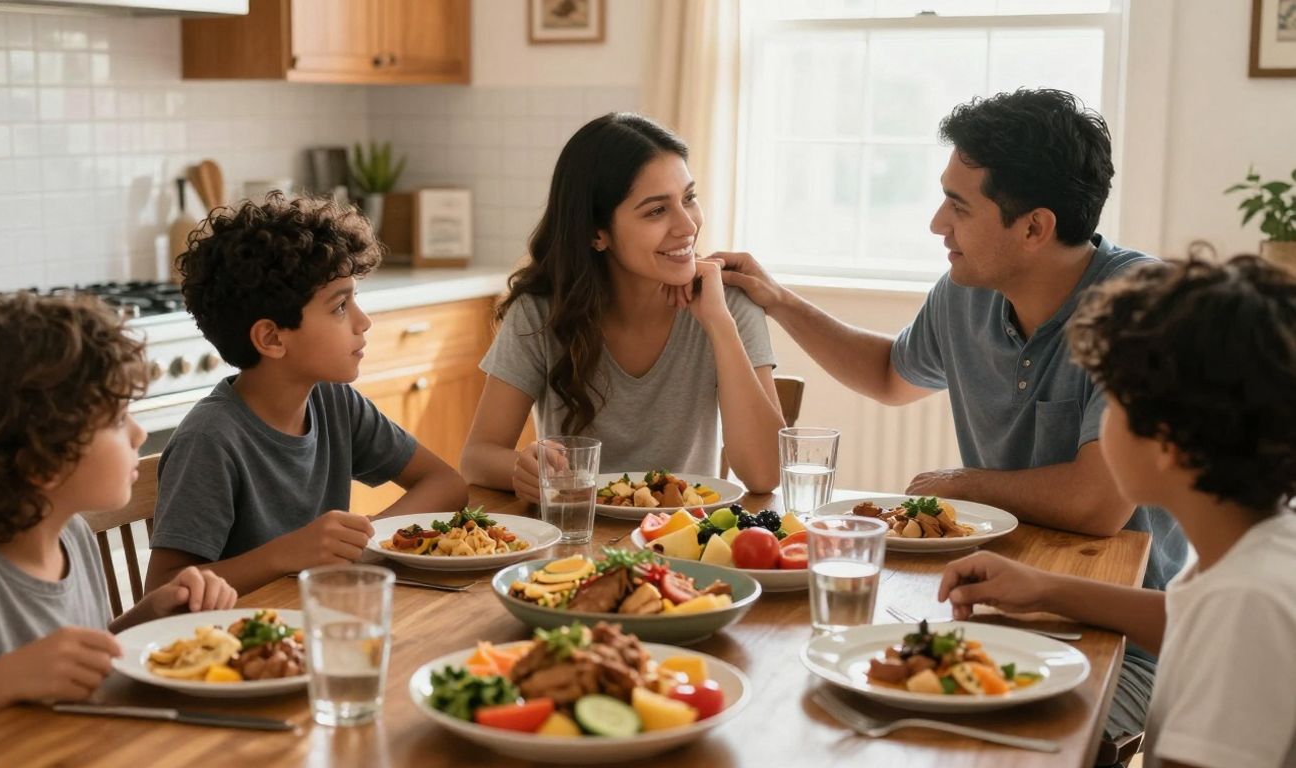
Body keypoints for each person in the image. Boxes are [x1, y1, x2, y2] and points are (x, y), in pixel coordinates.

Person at [718, 88, 1189, 748]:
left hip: (1125, 640)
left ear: (1034, 228)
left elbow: (1094, 506)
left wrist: (961, 483)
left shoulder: (1137, 309)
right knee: (829, 715)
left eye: (959, 206)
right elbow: (889, 375)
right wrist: (776, 299)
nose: (938, 223)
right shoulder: (967, 292)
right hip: (1001, 603)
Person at [939, 256, 1296, 768]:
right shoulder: (1259, 544)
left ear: (1168, 443)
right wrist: (1047, 589)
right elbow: (1191, 621)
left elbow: (1224, 623)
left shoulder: (1246, 603)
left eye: (1112, 406)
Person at [0, 294, 238, 743]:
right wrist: (5, 681)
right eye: (116, 420)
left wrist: (147, 615)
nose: (138, 432)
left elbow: (72, 659)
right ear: (39, 459)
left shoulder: (70, 535)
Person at [145, 195, 469, 596]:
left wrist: (363, 544)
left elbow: (446, 483)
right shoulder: (210, 441)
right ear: (272, 338)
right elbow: (163, 593)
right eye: (339, 306)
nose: (363, 321)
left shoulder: (333, 402)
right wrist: (284, 555)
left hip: (317, 617)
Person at [461, 112, 785, 502]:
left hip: (685, 540)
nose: (687, 225)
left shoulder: (728, 302)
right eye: (656, 210)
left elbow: (764, 474)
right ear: (597, 233)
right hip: (577, 543)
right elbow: (477, 457)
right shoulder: (540, 311)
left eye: (689, 198)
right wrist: (522, 468)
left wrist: (718, 323)